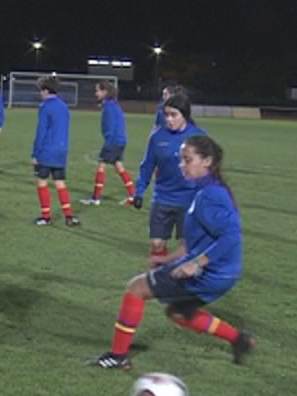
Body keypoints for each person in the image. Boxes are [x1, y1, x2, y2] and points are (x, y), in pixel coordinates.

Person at [91, 134, 256, 370]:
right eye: (181, 160)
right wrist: (167, 258)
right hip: (222, 273)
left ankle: (117, 356)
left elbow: (231, 236)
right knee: (179, 312)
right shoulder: (206, 190)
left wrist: (197, 263)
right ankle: (239, 339)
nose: (182, 165)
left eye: (187, 160)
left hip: (212, 272)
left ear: (207, 161)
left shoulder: (210, 195)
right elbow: (197, 241)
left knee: (136, 289)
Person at [131, 93, 206, 262]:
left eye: (174, 115)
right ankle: (158, 282)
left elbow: (209, 168)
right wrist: (139, 191)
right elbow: (147, 165)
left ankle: (181, 284)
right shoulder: (157, 137)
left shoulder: (199, 137)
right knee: (157, 244)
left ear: (184, 115)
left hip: (189, 199)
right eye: (166, 115)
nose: (169, 119)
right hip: (163, 198)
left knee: (185, 246)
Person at [31, 75, 80, 227]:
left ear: (46, 90)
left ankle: (46, 217)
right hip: (61, 150)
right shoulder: (64, 106)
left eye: (41, 90)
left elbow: (41, 132)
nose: (40, 94)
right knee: (60, 183)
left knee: (42, 182)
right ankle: (69, 216)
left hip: (47, 150)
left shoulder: (45, 107)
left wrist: (35, 153)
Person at [80, 81, 136, 206]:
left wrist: (108, 144)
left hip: (113, 142)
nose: (96, 93)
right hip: (121, 141)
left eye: (97, 91)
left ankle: (95, 198)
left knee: (101, 166)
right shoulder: (115, 105)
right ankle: (133, 195)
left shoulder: (109, 107)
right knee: (119, 166)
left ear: (105, 92)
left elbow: (110, 127)